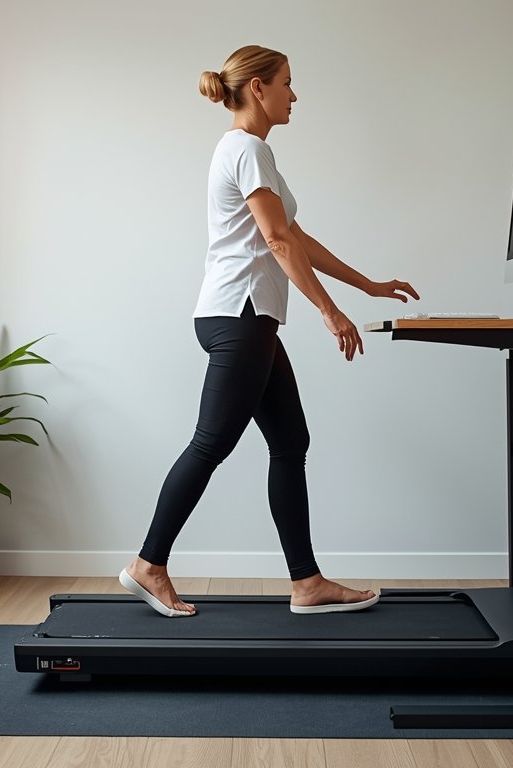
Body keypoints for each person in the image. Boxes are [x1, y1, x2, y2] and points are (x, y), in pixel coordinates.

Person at [120, 45, 419, 617]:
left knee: (289, 442)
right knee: (211, 443)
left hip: (245, 318)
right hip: (241, 316)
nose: (294, 94)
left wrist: (367, 285)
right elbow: (277, 242)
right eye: (286, 82)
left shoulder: (250, 153)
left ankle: (307, 582)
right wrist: (330, 312)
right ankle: (148, 564)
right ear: (258, 88)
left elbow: (295, 237)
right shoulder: (248, 149)